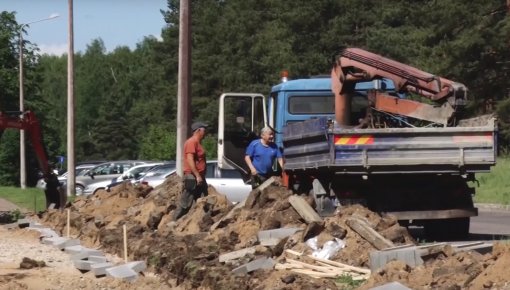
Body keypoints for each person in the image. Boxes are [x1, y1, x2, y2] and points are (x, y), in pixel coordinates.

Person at [173, 121, 209, 221]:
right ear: (198, 131)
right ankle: (174, 221)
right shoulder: (191, 142)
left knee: (203, 200)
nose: (206, 132)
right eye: (204, 130)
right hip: (192, 177)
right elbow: (190, 159)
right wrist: (197, 175)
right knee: (186, 202)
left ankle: (202, 222)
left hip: (199, 177)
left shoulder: (197, 143)